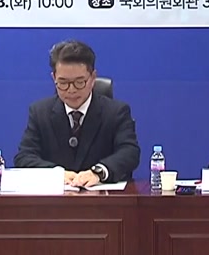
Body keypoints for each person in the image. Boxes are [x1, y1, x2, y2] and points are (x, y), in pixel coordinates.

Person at [14, 40, 140, 188]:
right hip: (55, 199)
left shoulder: (116, 112)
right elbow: (24, 157)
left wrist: (98, 172)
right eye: (63, 83)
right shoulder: (40, 112)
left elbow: (129, 152)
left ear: (93, 78)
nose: (71, 90)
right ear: (54, 78)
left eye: (80, 82)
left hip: (103, 198)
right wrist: (57, 173)